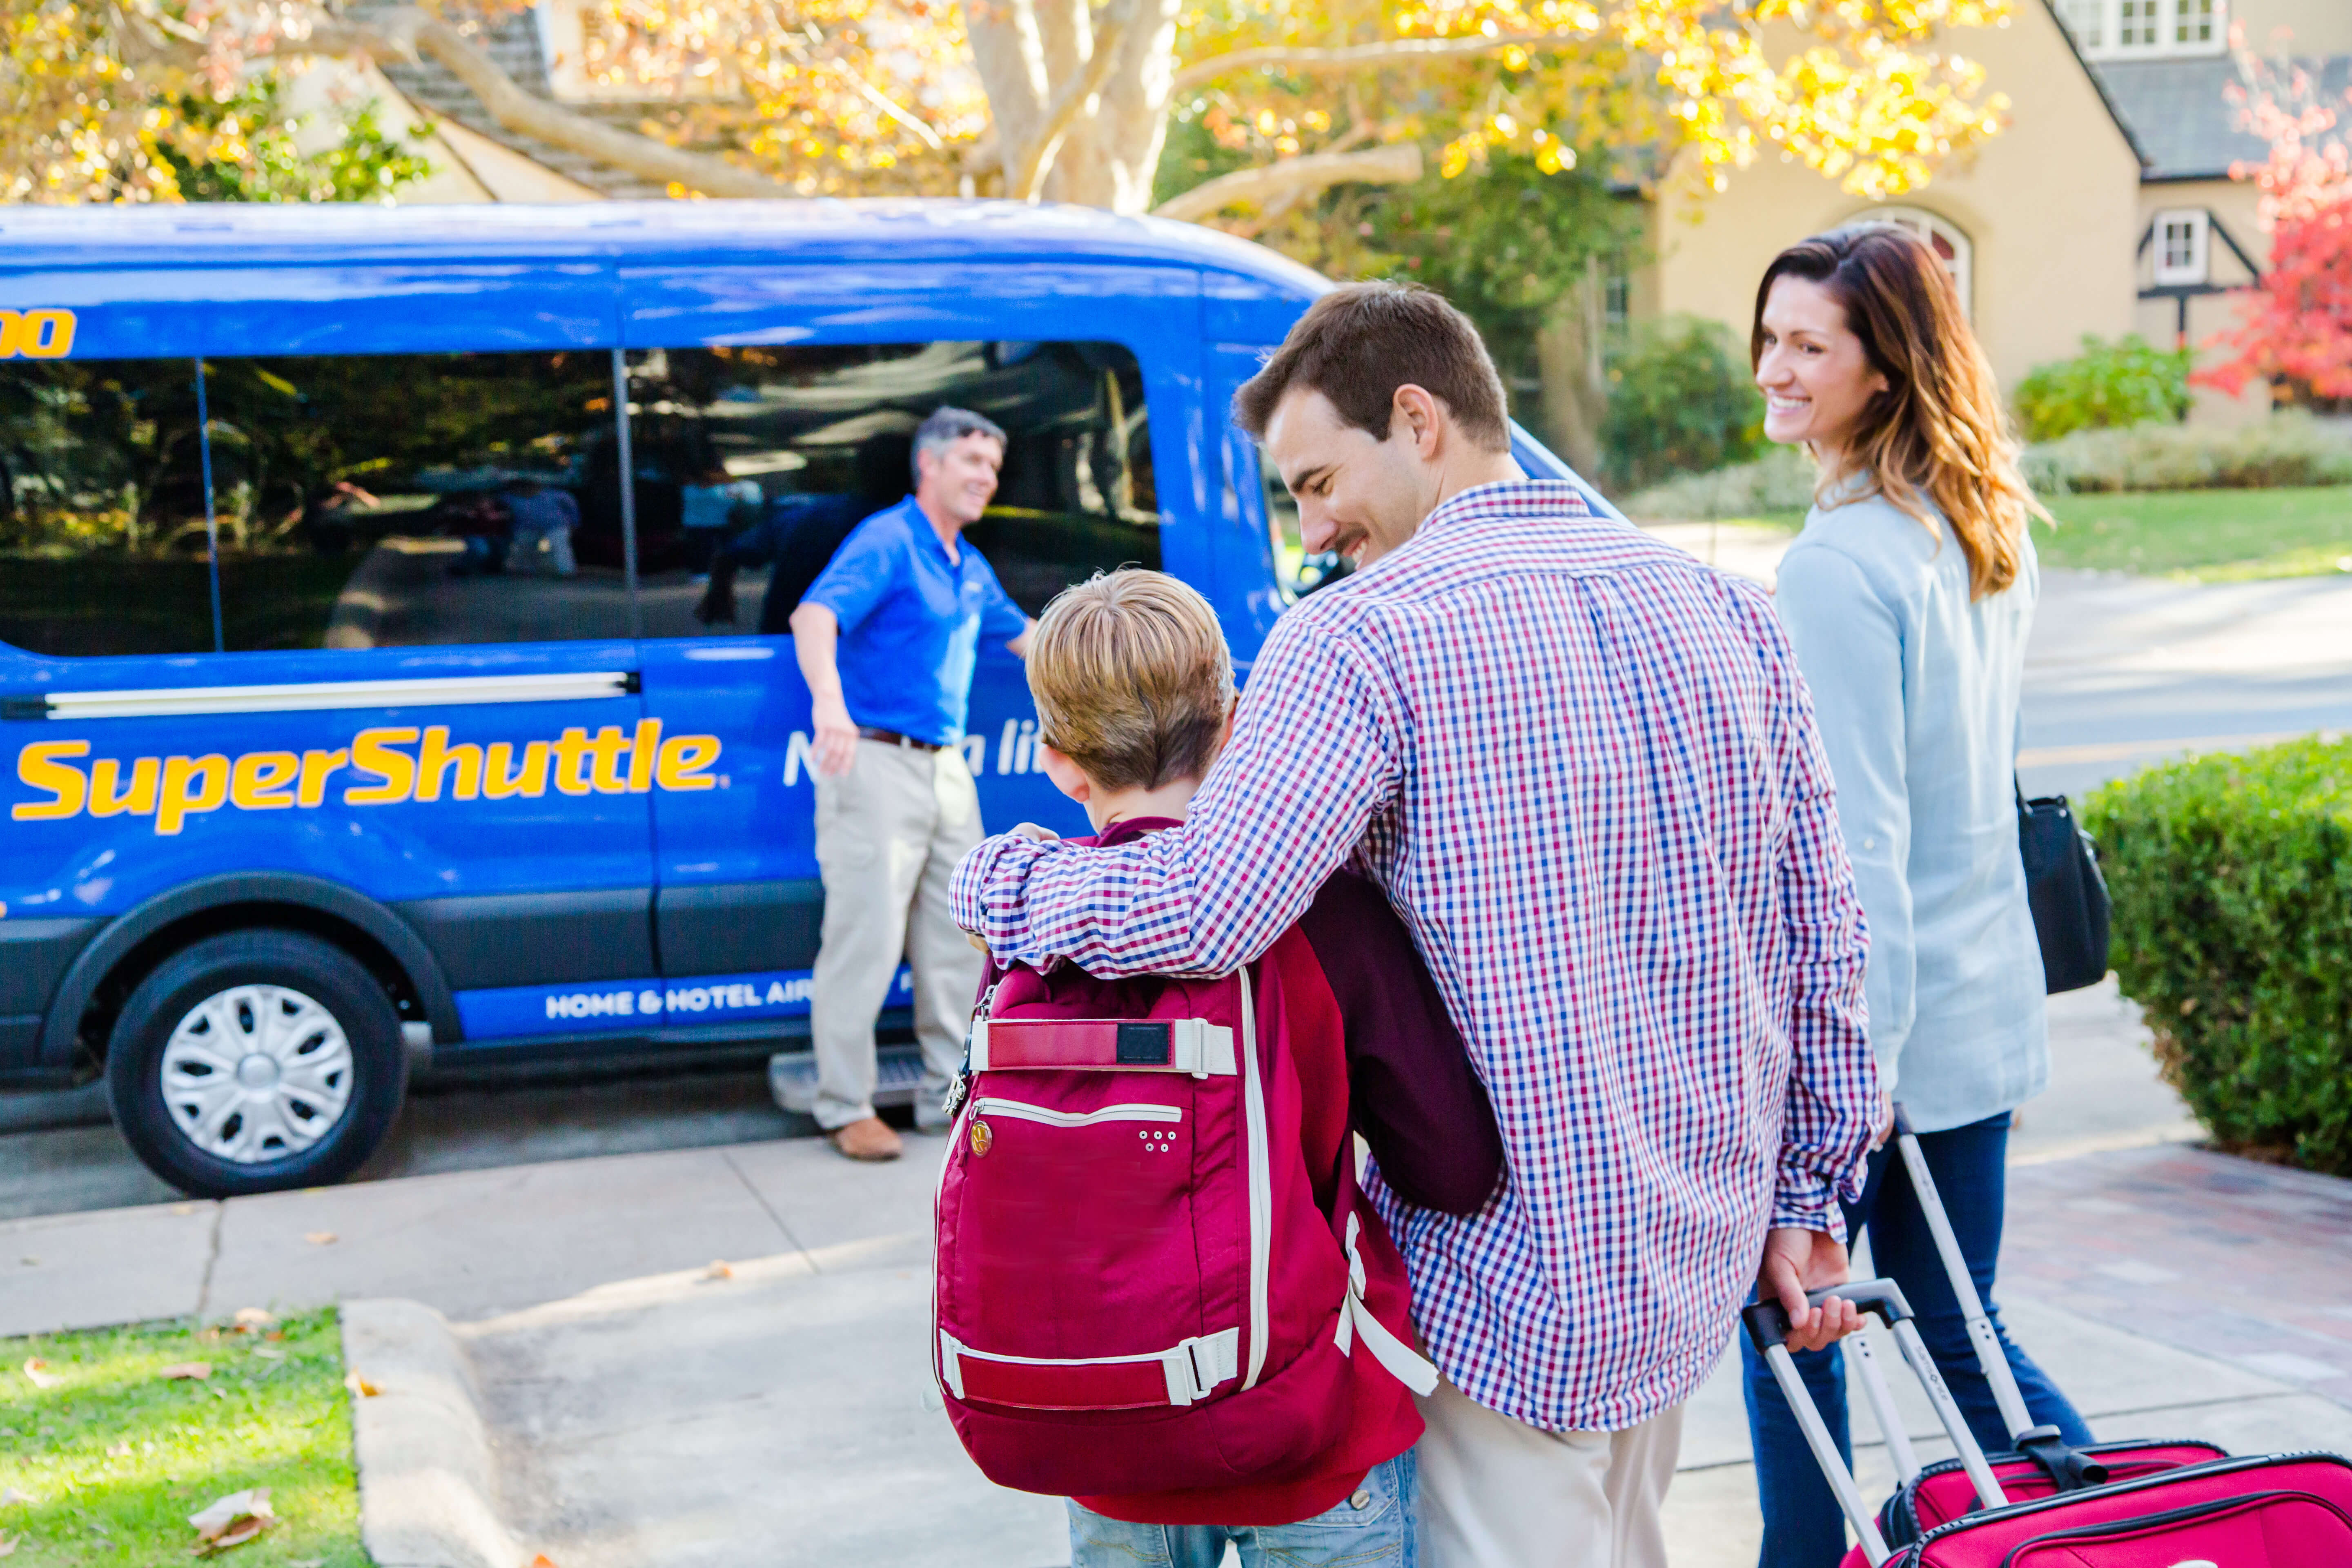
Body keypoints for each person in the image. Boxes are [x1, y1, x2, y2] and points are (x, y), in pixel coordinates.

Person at [951, 281, 1882, 1568]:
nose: (1314, 525)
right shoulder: (1731, 609)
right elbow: (1822, 936)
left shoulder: (1357, 638)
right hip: (1689, 1256)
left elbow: (1207, 902)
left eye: (1319, 479)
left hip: (1500, 1286)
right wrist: (1810, 1197)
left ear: (1417, 417)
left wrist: (1001, 882)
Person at [1000, 567, 1504, 1568]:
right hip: (1305, 1426)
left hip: (1108, 1427)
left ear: (1059, 764)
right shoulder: (1324, 913)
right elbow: (1451, 1164)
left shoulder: (1031, 918)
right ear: (1234, 725)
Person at [1741, 224, 2095, 1566]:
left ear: (1883, 371)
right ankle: (2118, 1525)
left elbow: (1857, 853)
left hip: (1882, 1031)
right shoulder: (1971, 525)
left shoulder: (1838, 566)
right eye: (1769, 337)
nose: (1775, 368)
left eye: (1809, 346)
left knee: (1794, 1322)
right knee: (1963, 1333)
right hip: (1978, 1010)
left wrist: (1844, 1082)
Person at [789, 407, 1036, 1163]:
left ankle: (948, 1098)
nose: (987, 479)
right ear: (928, 466)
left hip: (945, 769)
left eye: (993, 467)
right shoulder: (889, 540)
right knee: (864, 940)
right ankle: (846, 1105)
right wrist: (828, 706)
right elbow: (814, 616)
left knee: (960, 943)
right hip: (874, 764)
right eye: (973, 463)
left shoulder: (965, 561)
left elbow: (1031, 640)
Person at [503, 478, 579, 577]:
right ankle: (526, 570)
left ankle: (567, 571)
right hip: (526, 527)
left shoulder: (556, 494)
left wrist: (575, 523)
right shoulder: (511, 497)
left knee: (560, 544)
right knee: (524, 544)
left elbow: (572, 507)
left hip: (556, 525)